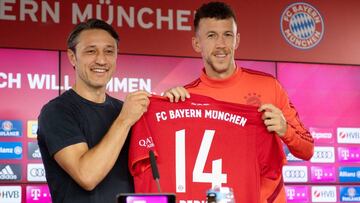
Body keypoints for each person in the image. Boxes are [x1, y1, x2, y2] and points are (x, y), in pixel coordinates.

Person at [164, 2, 314, 203]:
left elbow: (307, 150)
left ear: (237, 40)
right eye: (211, 36)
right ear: (197, 44)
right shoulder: (185, 98)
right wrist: (167, 107)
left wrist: (285, 129)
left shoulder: (269, 86)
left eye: (228, 35)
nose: (221, 45)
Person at [37, 19, 151, 203]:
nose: (101, 59)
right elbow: (87, 176)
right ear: (72, 57)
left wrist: (174, 103)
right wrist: (124, 120)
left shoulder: (125, 111)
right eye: (91, 51)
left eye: (109, 51)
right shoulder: (56, 112)